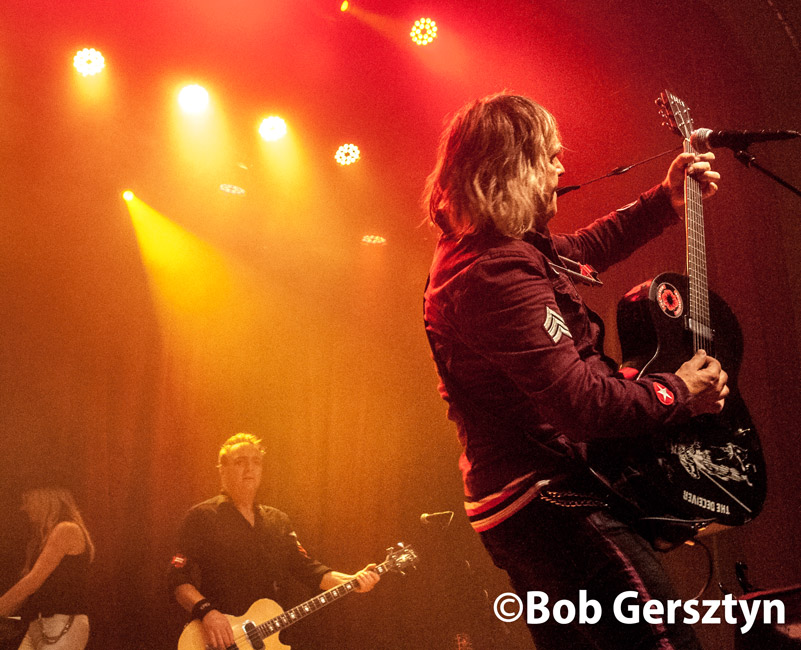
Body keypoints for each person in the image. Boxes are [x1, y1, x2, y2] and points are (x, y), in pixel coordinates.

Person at [422, 92, 728, 649]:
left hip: (528, 501)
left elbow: (581, 249)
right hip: (545, 500)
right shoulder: (492, 272)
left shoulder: (495, 250)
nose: (563, 166)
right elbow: (583, 404)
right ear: (513, 167)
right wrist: (680, 389)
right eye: (550, 156)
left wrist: (664, 201)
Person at [169, 432, 380, 650]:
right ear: (222, 470)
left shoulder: (278, 520)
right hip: (219, 640)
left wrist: (353, 581)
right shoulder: (201, 517)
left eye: (256, 462)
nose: (250, 468)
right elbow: (177, 577)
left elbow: (308, 570)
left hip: (264, 639)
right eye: (240, 462)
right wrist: (207, 613)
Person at [0, 488, 94, 650]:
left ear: (43, 500)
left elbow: (32, 582)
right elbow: (27, 589)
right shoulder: (40, 540)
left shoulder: (67, 529)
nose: (24, 508)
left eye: (27, 501)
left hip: (63, 623)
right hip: (38, 624)